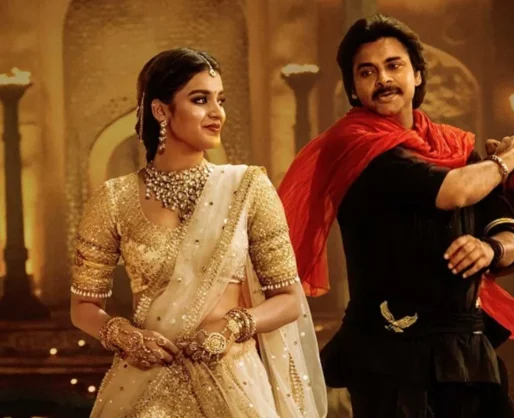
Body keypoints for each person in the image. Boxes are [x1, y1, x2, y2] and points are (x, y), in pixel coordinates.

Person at [277, 14, 514, 417]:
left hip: (465, 351)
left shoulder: (454, 148)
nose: (383, 79)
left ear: (417, 75)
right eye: (367, 72)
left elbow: (510, 231)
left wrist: (491, 249)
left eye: (394, 65)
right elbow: (453, 192)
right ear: (353, 88)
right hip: (391, 353)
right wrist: (513, 156)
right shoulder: (354, 146)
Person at [70, 48, 327, 418]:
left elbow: (289, 299)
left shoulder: (248, 187)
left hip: (234, 384)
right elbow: (83, 307)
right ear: (161, 110)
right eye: (200, 99)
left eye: (220, 100)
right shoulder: (114, 199)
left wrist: (234, 324)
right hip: (144, 384)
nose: (217, 112)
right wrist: (125, 336)